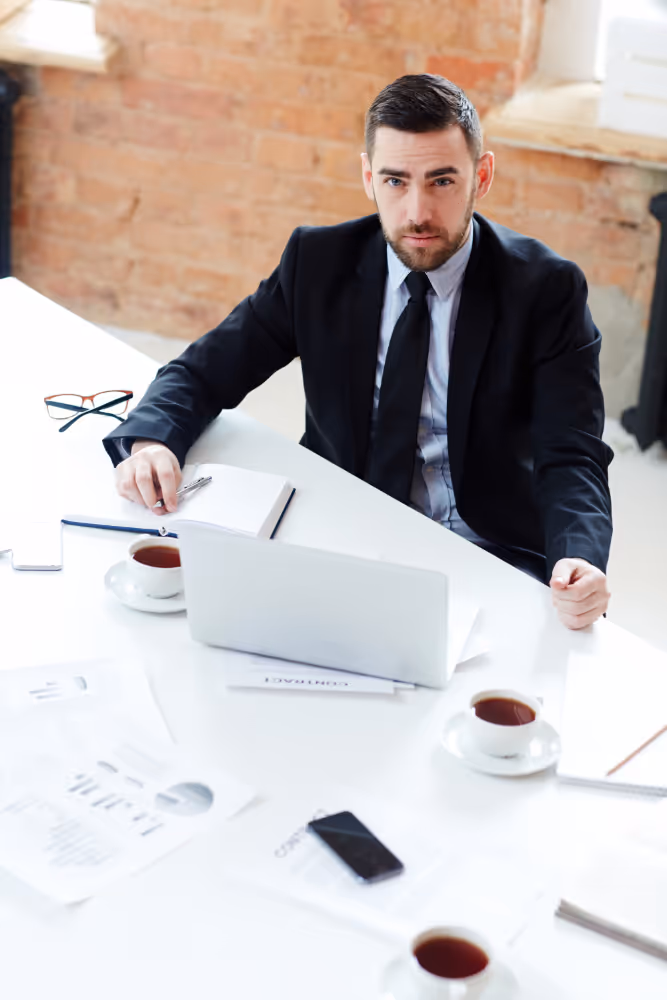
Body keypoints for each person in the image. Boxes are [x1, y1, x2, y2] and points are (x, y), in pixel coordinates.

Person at [104, 74, 613, 630]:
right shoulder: (316, 263)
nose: (417, 211)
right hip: (337, 526)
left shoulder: (547, 290)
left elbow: (572, 452)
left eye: (441, 181)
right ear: (368, 177)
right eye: (396, 181)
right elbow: (205, 371)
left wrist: (579, 556)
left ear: (481, 176)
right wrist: (153, 438)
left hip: (483, 546)